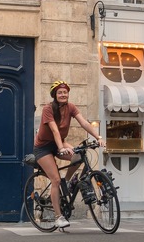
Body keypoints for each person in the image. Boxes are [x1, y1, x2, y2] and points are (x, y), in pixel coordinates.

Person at [33, 80, 106, 228]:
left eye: (65, 92)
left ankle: (66, 181)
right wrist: (60, 147)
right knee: (55, 180)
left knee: (78, 156)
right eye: (59, 92)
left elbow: (84, 123)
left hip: (59, 142)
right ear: (55, 94)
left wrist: (98, 137)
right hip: (44, 147)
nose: (63, 94)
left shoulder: (71, 107)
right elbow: (54, 130)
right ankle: (58, 217)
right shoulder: (48, 109)